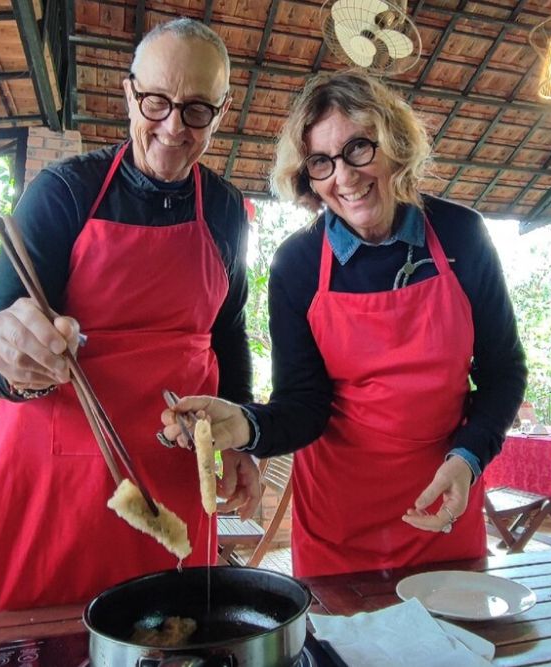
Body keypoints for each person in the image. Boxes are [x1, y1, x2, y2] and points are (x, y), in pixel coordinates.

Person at [163, 72, 528, 578]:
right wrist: (247, 425)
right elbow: (305, 405)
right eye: (321, 162)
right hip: (339, 527)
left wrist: (468, 458)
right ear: (308, 176)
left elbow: (504, 371)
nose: (345, 177)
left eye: (359, 147)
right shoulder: (297, 264)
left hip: (445, 506)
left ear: (395, 144)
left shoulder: (461, 236)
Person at [0, 18, 261, 614]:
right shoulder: (63, 192)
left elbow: (230, 334)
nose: (174, 128)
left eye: (197, 110)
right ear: (128, 94)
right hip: (54, 482)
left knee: (175, 638)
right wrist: (11, 354)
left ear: (221, 113)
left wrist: (244, 439)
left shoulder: (224, 209)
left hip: (174, 476)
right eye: (156, 102)